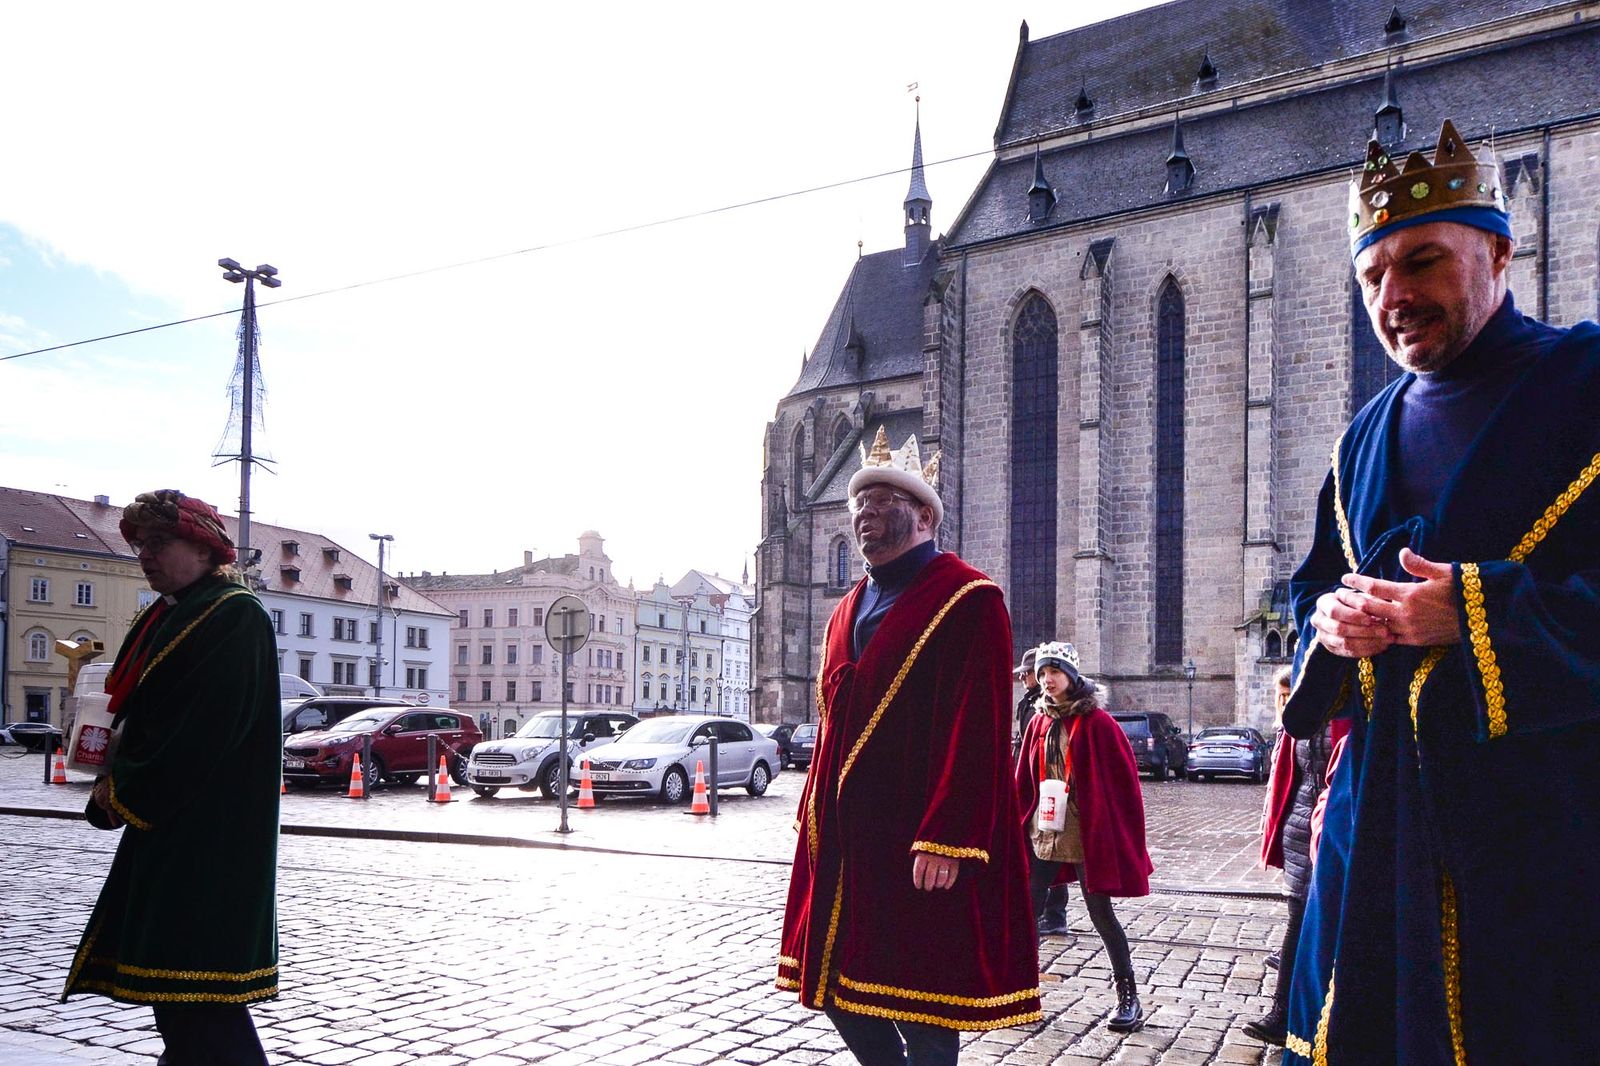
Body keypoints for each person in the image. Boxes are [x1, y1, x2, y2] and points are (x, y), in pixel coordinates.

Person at [1280, 119, 1600, 1062]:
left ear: (1499, 249)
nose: (1396, 294)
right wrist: (1331, 626)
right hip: (1375, 838)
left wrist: (1482, 613)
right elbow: (1308, 593)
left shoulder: (1583, 386)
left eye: (1422, 261)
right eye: (1373, 274)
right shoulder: (1360, 440)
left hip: (1545, 839)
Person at [778, 429, 1040, 1064]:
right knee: (835, 984)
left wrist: (948, 834)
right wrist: (811, 804)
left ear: (923, 514)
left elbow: (975, 725)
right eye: (858, 504)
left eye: (881, 500)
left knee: (923, 1000)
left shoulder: (969, 598)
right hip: (846, 836)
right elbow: (832, 718)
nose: (864, 513)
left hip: (919, 833)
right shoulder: (845, 609)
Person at [62, 490, 281, 1065]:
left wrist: (125, 789)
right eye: (140, 544)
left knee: (199, 994)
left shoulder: (234, 613)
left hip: (210, 836)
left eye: (160, 543)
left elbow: (202, 729)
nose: (146, 555)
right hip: (173, 831)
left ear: (206, 547)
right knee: (181, 998)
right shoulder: (171, 611)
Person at [1014, 641, 1152, 1033]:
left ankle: (1128, 995)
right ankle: (1021, 989)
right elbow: (1025, 775)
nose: (1047, 679)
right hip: (1045, 826)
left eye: (1054, 672)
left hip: (1085, 830)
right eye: (1042, 673)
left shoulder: (1097, 723)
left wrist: (1116, 831)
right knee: (1028, 909)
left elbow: (1122, 785)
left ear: (1071, 676)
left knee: (1099, 912)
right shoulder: (1039, 720)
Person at [1244, 667, 1337, 1046]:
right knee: (1298, 919)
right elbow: (1288, 777)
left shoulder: (1351, 716)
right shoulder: (1298, 720)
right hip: (1302, 829)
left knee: (1325, 924)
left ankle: (1315, 1014)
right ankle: (1283, 1013)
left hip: (1332, 824)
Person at [1013, 649, 1070, 935]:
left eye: (1053, 673)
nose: (1024, 677)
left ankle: (1056, 914)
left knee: (1097, 904)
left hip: (1065, 801)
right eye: (1041, 673)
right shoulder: (1030, 707)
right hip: (1039, 795)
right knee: (1038, 866)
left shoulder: (1057, 709)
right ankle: (1025, 945)